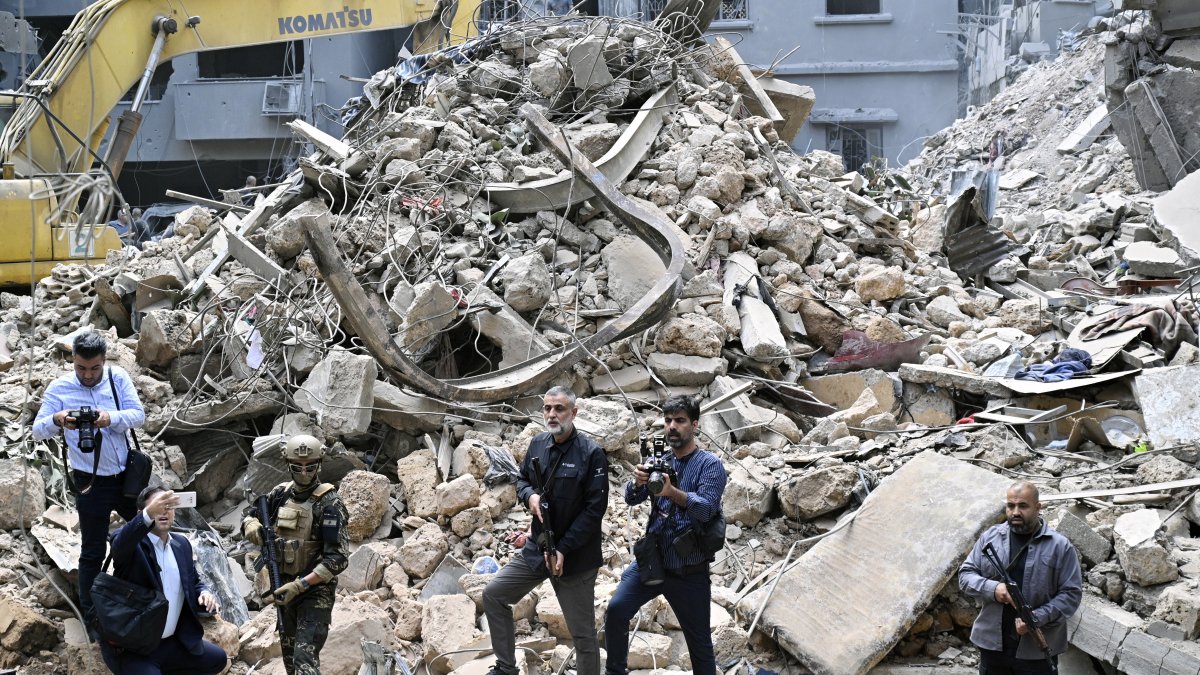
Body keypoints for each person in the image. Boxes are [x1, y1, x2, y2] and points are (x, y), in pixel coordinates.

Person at [483, 386, 609, 675]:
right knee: (494, 594)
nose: (552, 414)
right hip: (537, 547)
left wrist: (564, 548)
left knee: (583, 635)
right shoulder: (538, 443)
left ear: (574, 413)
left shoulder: (591, 454)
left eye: (560, 408)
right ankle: (505, 668)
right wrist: (530, 497)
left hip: (575, 558)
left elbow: (594, 510)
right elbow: (522, 480)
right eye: (547, 408)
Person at [32, 331, 145, 636]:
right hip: (89, 482)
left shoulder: (116, 378)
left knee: (147, 534)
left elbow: (139, 415)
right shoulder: (60, 388)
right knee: (92, 551)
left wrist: (110, 418)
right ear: (73, 361)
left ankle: (148, 596)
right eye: (81, 368)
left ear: (104, 361)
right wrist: (57, 419)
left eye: (94, 368)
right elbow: (37, 431)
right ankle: (93, 618)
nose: (87, 375)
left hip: (126, 477)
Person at [604, 395, 726, 675]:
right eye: (668, 420)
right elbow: (632, 499)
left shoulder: (710, 465)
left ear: (694, 425)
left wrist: (672, 492)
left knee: (700, 645)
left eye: (680, 421)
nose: (672, 426)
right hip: (652, 560)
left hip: (689, 569)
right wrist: (638, 481)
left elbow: (707, 510)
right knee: (617, 610)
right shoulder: (659, 460)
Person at [241, 435, 349, 675]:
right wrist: (250, 525)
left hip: (314, 592)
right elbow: (250, 515)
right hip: (284, 587)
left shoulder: (329, 504)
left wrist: (301, 586)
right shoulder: (280, 494)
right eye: (297, 467)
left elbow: (338, 558)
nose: (304, 472)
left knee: (304, 662)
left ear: (319, 464)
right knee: (290, 662)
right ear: (287, 464)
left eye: (310, 466)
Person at [958, 481, 1083, 675]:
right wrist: (993, 589)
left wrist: (1036, 617)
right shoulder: (990, 537)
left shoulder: (1060, 546)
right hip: (993, 646)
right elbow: (966, 575)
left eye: (1023, 506)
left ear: (1037, 507)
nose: (1015, 512)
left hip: (1037, 651)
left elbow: (1071, 595)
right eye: (1010, 506)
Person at [104, 486, 228, 674]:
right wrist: (147, 515)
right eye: (157, 507)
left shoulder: (181, 544)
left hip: (172, 642)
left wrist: (204, 592)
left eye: (168, 506)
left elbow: (193, 580)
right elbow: (119, 543)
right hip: (136, 649)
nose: (164, 512)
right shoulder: (132, 545)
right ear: (142, 513)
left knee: (218, 659)